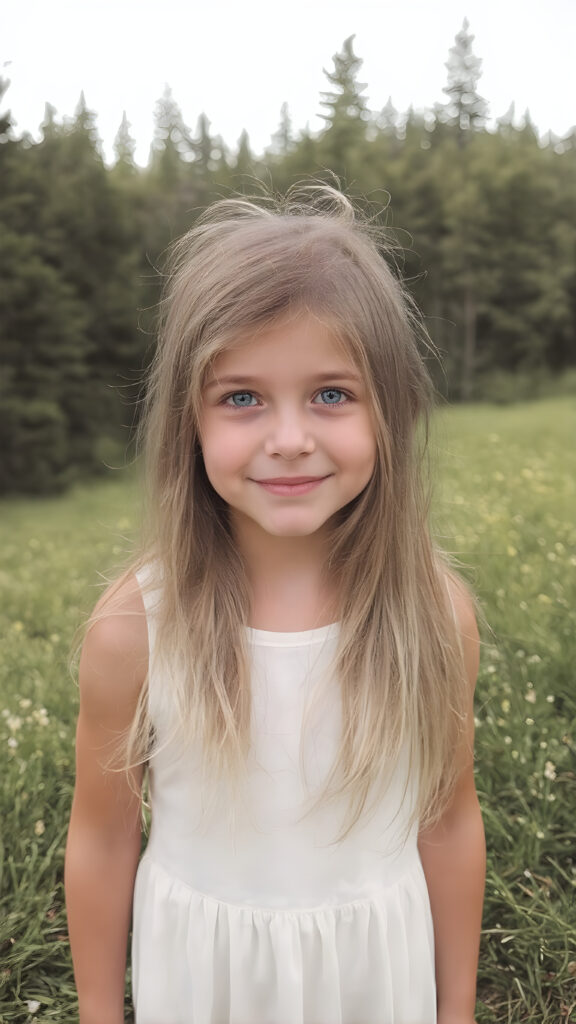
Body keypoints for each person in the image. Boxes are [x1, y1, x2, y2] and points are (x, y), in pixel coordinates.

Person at [65, 186, 486, 1024]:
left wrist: (458, 1008)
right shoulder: (134, 628)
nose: (289, 437)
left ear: (389, 412)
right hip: (206, 984)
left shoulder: (434, 614)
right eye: (243, 398)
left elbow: (447, 820)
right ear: (190, 420)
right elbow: (104, 838)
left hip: (375, 978)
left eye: (331, 394)